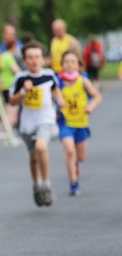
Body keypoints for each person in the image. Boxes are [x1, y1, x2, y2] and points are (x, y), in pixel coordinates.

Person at [9, 41, 65, 207]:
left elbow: (55, 90)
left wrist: (60, 100)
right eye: (30, 58)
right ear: (25, 61)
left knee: (42, 147)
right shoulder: (21, 78)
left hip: (46, 119)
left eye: (37, 57)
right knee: (34, 157)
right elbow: (12, 101)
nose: (34, 60)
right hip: (27, 123)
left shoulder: (49, 75)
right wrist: (23, 92)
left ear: (43, 59)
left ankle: (46, 184)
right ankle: (37, 185)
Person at [57, 50, 102, 196]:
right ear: (62, 65)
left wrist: (90, 107)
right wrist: (57, 101)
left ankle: (75, 164)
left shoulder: (83, 81)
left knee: (80, 157)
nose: (69, 65)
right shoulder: (57, 82)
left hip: (81, 122)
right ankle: (74, 183)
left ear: (78, 65)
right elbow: (50, 98)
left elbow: (97, 96)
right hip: (65, 123)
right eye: (66, 62)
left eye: (72, 62)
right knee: (70, 151)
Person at [0, 39, 21, 126]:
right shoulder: (9, 57)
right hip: (11, 86)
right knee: (12, 110)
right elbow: (16, 71)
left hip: (4, 85)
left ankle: (7, 130)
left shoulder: (2, 56)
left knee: (8, 108)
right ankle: (9, 131)